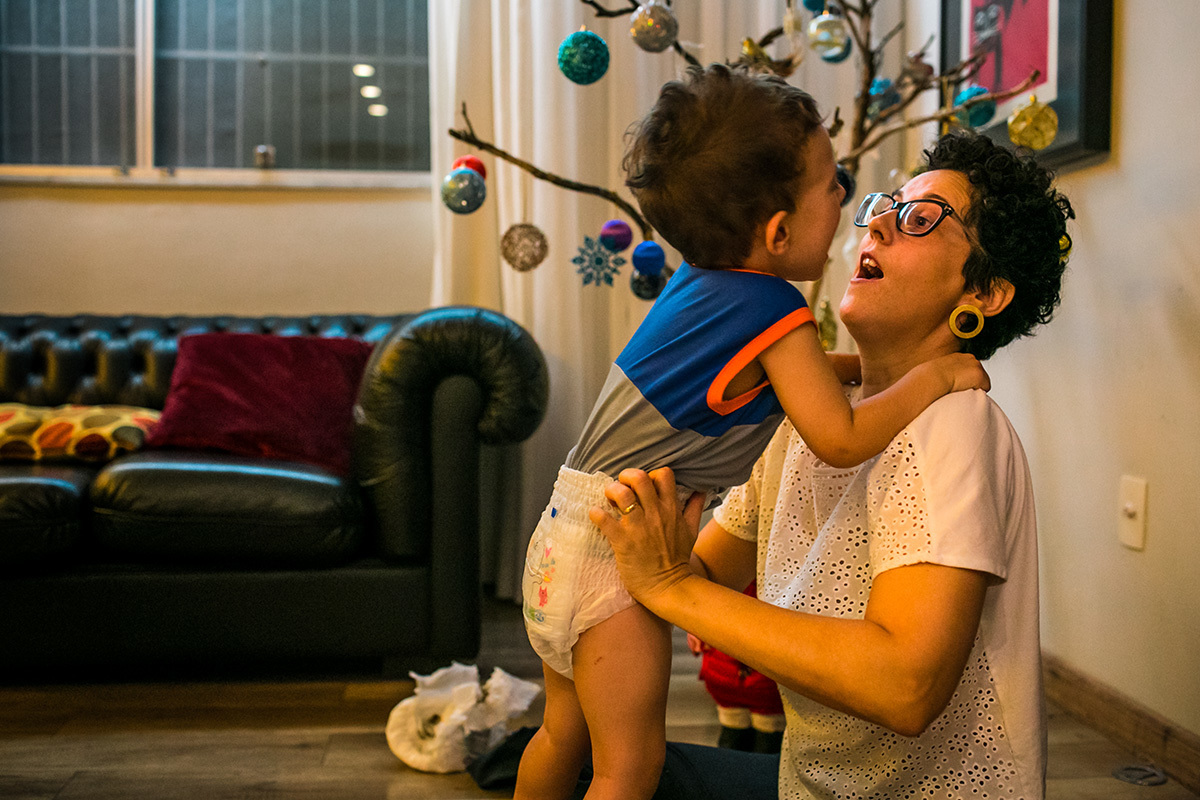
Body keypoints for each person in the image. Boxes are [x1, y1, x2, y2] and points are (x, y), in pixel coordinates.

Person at [514, 64, 988, 800]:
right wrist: (935, 376)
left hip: (563, 537)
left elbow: (796, 380)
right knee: (627, 769)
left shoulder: (704, 288)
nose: (849, 201)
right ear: (778, 231)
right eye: (833, 186)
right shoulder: (773, 307)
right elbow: (840, 438)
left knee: (560, 736)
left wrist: (864, 372)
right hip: (612, 561)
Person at [589, 128, 1074, 799]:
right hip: (808, 785)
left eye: (921, 217)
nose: (877, 224)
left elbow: (905, 686)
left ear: (985, 293)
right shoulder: (811, 419)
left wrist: (674, 588)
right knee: (581, 757)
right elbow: (700, 571)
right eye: (885, 206)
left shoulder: (955, 422)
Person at [688, 582, 787, 754]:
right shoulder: (774, 581)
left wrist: (695, 627)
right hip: (766, 679)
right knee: (767, 746)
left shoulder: (720, 580)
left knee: (732, 742)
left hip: (725, 673)